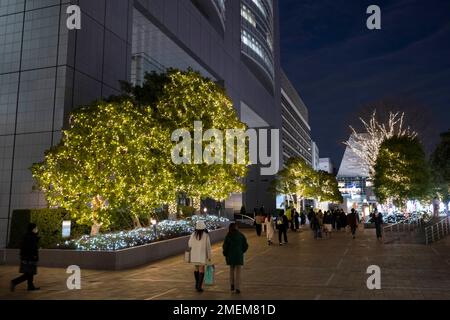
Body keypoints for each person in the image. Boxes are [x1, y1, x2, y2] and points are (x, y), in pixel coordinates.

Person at [10, 223, 40, 292]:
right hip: (29, 258)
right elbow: (30, 247)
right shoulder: (29, 237)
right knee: (28, 274)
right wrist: (33, 256)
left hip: (28, 258)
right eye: (36, 228)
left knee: (30, 273)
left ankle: (30, 286)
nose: (37, 229)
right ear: (32, 229)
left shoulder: (30, 236)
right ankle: (14, 282)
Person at [223, 223, 248, 294]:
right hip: (238, 256)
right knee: (238, 272)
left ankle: (232, 285)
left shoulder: (228, 235)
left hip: (230, 256)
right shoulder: (241, 235)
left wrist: (225, 253)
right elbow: (245, 245)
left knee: (231, 271)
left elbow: (225, 246)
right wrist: (241, 251)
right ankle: (238, 288)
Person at [188, 220, 212, 292]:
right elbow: (208, 247)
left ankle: (196, 284)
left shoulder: (193, 234)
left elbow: (189, 244)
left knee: (196, 269)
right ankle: (199, 286)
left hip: (194, 255)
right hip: (202, 255)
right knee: (202, 270)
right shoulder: (206, 235)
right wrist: (209, 256)